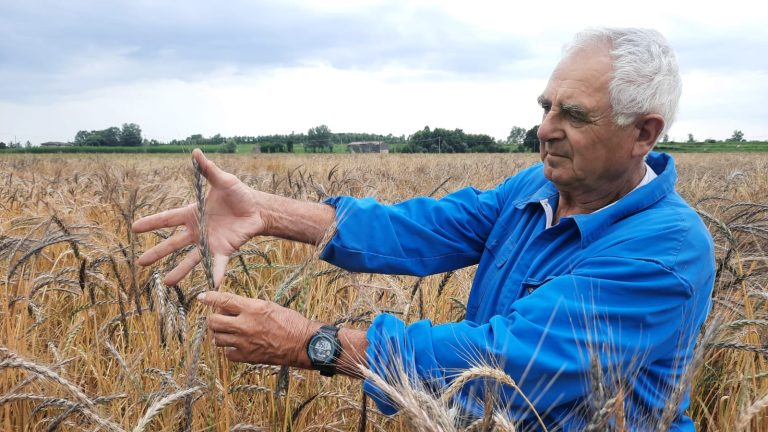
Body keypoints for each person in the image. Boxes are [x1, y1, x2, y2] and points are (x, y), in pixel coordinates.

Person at [132, 27, 714, 430]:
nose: (545, 129)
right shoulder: (536, 189)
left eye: (574, 114)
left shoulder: (664, 251)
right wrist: (265, 211)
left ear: (644, 132)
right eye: (546, 106)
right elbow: (425, 229)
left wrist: (312, 342)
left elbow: (502, 363)